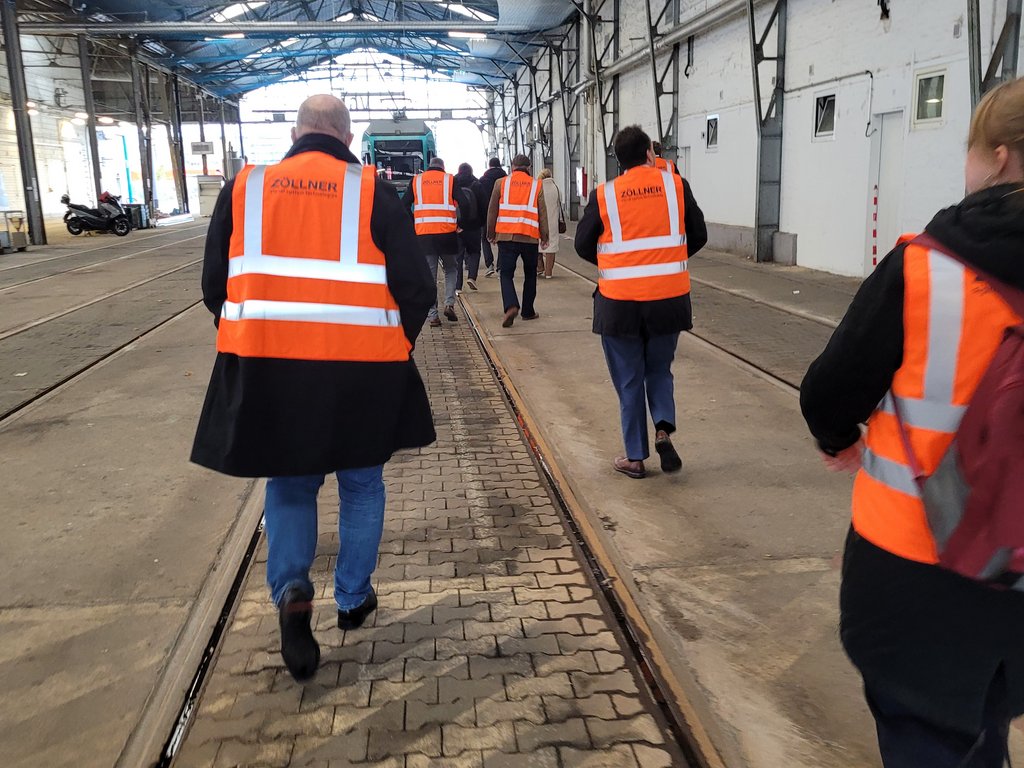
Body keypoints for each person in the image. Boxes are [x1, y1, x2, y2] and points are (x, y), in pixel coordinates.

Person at [800, 77, 1024, 768]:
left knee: (925, 738)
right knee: (988, 720)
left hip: (915, 569)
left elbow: (830, 392)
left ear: (999, 156)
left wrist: (842, 441)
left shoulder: (926, 267)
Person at [191, 95, 436, 683]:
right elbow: (416, 287)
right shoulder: (372, 190)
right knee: (362, 485)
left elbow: (213, 286)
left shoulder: (245, 187)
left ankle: (292, 589)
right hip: (361, 372)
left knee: (290, 482)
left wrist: (253, 340)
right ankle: (352, 598)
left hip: (272, 371)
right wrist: (394, 344)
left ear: (296, 133)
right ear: (347, 138)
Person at [574, 125, 707, 479]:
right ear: (650, 153)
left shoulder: (604, 195)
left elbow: (582, 244)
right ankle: (662, 428)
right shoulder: (676, 186)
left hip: (619, 305)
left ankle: (635, 458)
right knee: (659, 369)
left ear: (618, 160)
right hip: (668, 301)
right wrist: (667, 260)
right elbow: (699, 234)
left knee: (629, 379)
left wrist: (618, 265)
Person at [486, 153, 549, 327]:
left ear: (512, 167)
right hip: (529, 237)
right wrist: (545, 236)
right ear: (529, 168)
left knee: (506, 274)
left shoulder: (501, 183)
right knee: (530, 274)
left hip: (506, 237)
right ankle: (528, 311)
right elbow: (542, 213)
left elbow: (492, 210)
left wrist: (490, 233)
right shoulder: (536, 185)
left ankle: (511, 306)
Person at [403, 157, 460, 327]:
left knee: (429, 276)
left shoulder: (416, 181)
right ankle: (449, 304)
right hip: (447, 234)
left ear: (429, 167)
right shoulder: (449, 180)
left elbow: (403, 204)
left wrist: (414, 221)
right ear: (443, 167)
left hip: (424, 235)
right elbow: (464, 202)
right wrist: (461, 224)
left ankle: (433, 316)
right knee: (451, 269)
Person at [454, 162, 483, 292]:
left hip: (458, 226)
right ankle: (472, 277)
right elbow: (484, 206)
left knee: (458, 256)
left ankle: (458, 285)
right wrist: (481, 223)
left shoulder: (453, 185)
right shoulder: (477, 185)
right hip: (474, 226)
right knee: (474, 252)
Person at [477, 157, 507, 277]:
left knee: (485, 238)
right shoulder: (506, 179)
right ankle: (500, 266)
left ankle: (489, 264)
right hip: (503, 213)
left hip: (486, 213)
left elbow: (479, 198)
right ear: (500, 165)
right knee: (502, 240)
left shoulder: (482, 180)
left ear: (489, 166)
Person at [538, 168, 562, 279]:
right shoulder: (556, 188)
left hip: (540, 221)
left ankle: (539, 267)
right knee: (551, 247)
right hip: (553, 222)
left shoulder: (538, 188)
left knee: (537, 245)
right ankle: (548, 273)